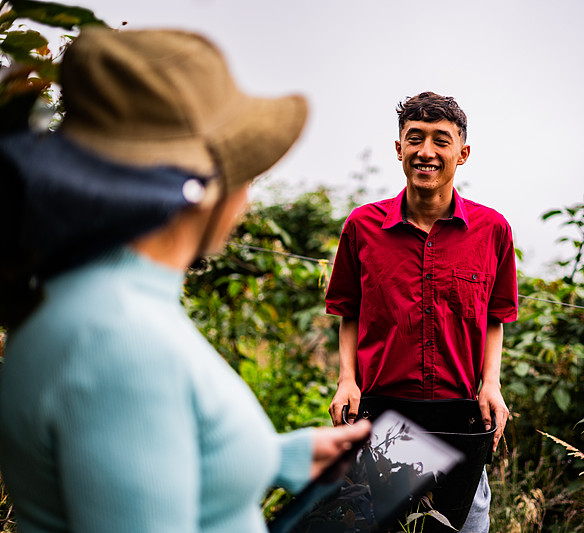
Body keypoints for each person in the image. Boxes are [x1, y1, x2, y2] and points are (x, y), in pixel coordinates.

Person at [0, 27, 370, 533]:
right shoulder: (120, 342)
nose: (248, 199)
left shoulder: (89, 300)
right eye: (246, 173)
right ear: (200, 191)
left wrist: (275, 457)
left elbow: (138, 453)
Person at [325, 92, 518, 532]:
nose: (426, 152)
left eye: (440, 141)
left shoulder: (492, 231)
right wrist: (347, 380)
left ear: (462, 153)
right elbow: (349, 311)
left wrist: (491, 384)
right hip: (383, 417)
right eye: (415, 139)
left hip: (459, 421)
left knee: (462, 523)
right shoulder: (362, 227)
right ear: (399, 149)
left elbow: (495, 317)